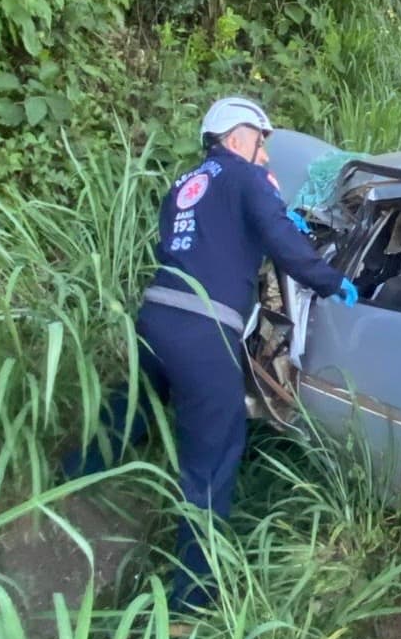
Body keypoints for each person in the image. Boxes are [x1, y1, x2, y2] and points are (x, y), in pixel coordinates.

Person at [63, 96, 358, 607]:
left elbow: (206, 243)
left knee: (130, 405)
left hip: (156, 320)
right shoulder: (246, 180)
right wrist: (332, 280)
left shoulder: (183, 187)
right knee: (213, 457)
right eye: (261, 143)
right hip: (205, 334)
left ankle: (73, 475)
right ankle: (190, 601)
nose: (264, 153)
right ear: (238, 137)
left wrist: (272, 217)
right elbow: (282, 244)